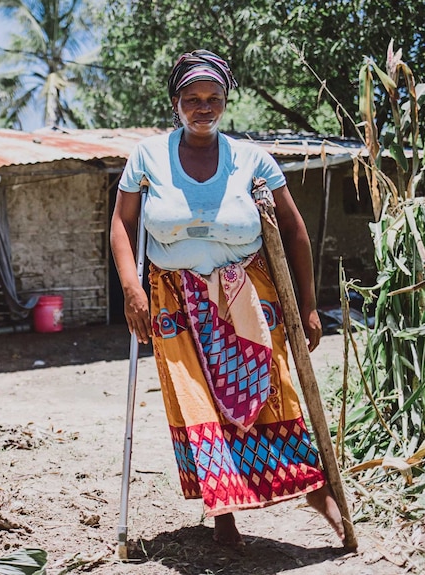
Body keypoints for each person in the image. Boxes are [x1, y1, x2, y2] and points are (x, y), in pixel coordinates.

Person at [110, 49, 346, 549]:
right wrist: (132, 288)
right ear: (175, 102)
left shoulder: (252, 158)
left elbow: (295, 231)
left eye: (214, 98)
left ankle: (312, 488)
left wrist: (307, 304)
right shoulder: (147, 156)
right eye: (192, 98)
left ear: (225, 101)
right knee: (197, 400)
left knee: (272, 388)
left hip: (247, 290)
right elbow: (122, 224)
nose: (203, 107)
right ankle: (225, 514)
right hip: (173, 298)